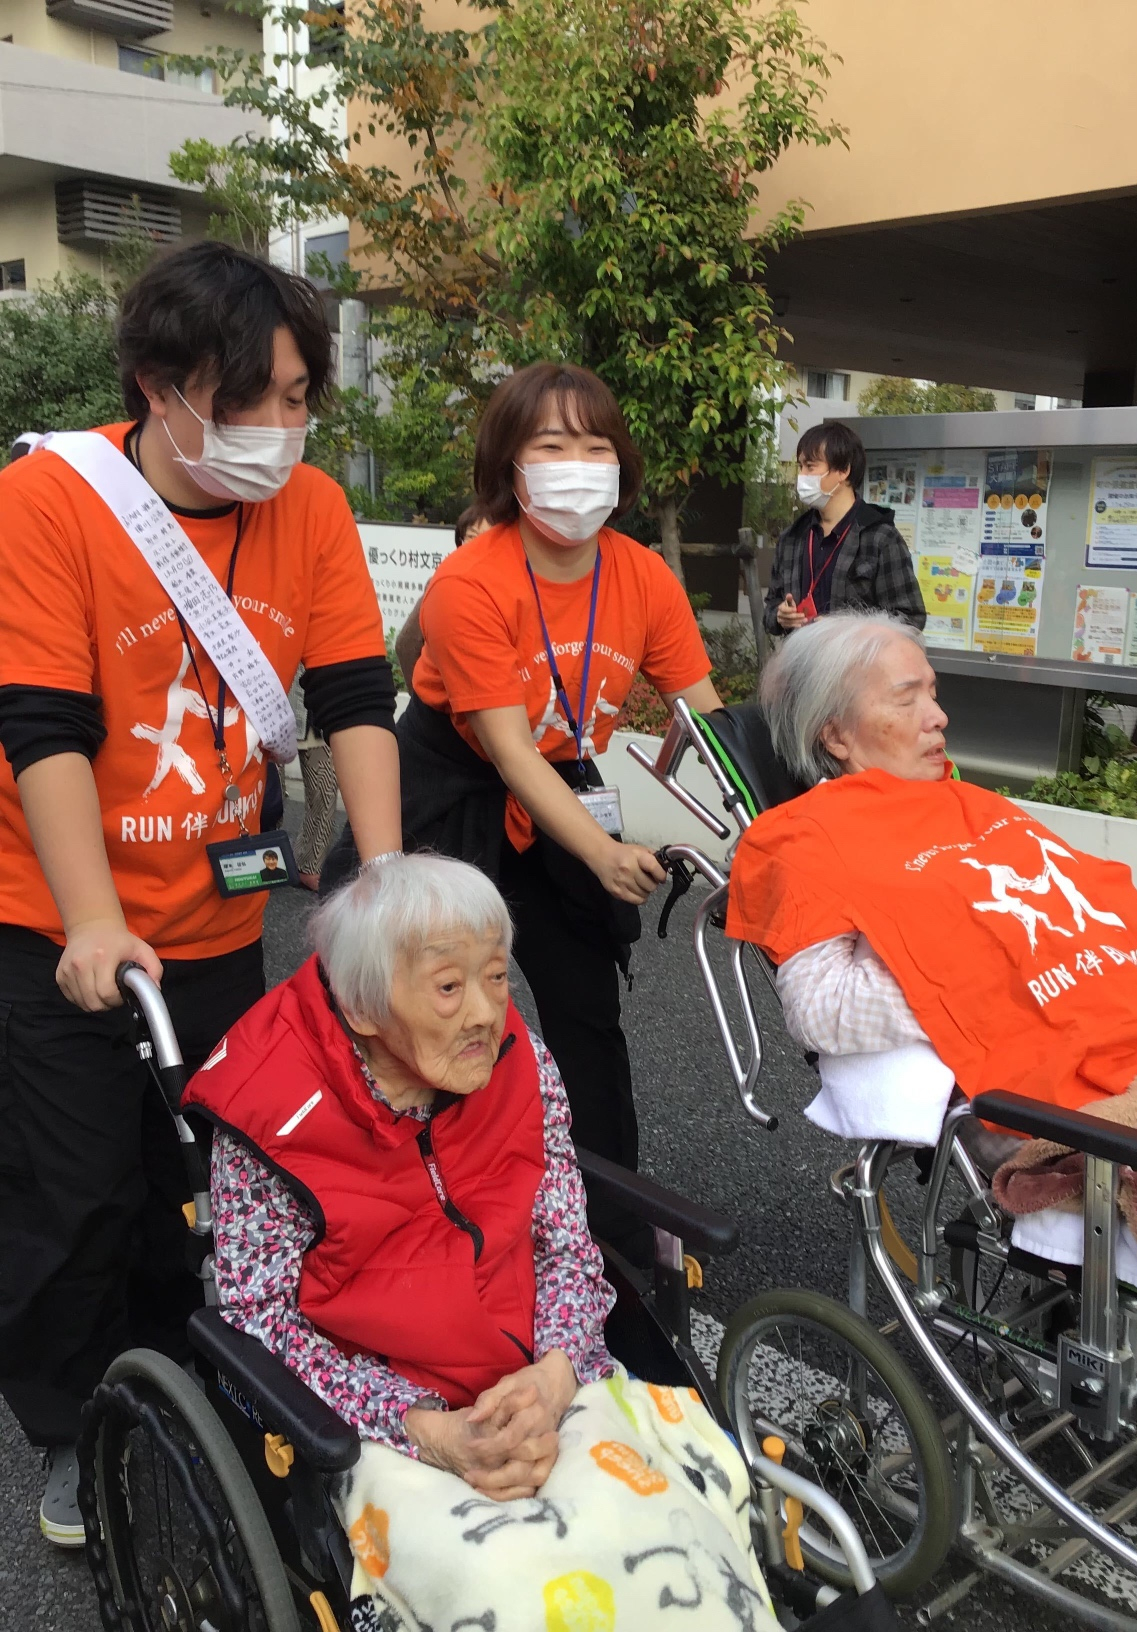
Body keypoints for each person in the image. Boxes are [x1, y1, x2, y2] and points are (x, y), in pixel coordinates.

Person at [0, 240, 402, 1544]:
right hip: (57, 924)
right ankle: (72, 1427)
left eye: (298, 397)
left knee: (216, 1179)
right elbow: (43, 726)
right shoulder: (49, 502)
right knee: (76, 1195)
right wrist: (91, 918)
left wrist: (392, 882)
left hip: (220, 916)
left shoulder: (312, 508)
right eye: (249, 400)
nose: (280, 427)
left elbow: (354, 698)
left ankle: (185, 1390)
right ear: (161, 387)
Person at [183, 855, 772, 1631]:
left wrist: (556, 1372)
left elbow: (562, 1242)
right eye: (448, 987)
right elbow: (262, 1319)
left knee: (677, 1537)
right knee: (510, 1588)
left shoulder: (517, 1059)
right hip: (379, 1419)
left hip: (540, 1370)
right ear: (362, 1006)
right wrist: (424, 1426)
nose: (486, 1014)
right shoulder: (269, 1114)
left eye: (495, 977)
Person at [325, 363, 720, 1239]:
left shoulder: (642, 576)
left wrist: (771, 822)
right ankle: (408, 1210)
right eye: (551, 445)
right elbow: (506, 749)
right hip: (450, 783)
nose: (578, 465)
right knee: (420, 1004)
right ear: (510, 466)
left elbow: (708, 719)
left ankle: (613, 1225)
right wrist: (603, 851)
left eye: (596, 445)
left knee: (587, 1012)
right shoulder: (472, 581)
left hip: (561, 780)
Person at [725, 613, 1137, 1293]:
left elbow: (1106, 914)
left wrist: (1032, 950)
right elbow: (821, 1010)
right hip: (1048, 1092)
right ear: (836, 735)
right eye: (907, 699)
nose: (938, 716)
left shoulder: (969, 804)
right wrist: (995, 964)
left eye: (932, 692)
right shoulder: (806, 838)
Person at [764, 421, 925, 636]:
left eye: (810, 467)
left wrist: (848, 630)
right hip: (800, 656)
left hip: (856, 658)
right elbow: (770, 608)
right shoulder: (792, 537)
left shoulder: (880, 537)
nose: (802, 476)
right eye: (800, 467)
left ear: (843, 470)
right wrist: (779, 616)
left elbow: (910, 619)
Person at [393, 504, 492, 692]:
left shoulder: (512, 589)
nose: (477, 545)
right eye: (471, 537)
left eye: (487, 538)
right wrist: (424, 697)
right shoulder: (443, 585)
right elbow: (406, 644)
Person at [289, 668, 338, 890]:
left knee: (325, 790)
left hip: (318, 709)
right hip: (269, 708)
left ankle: (309, 865)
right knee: (268, 797)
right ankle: (258, 858)